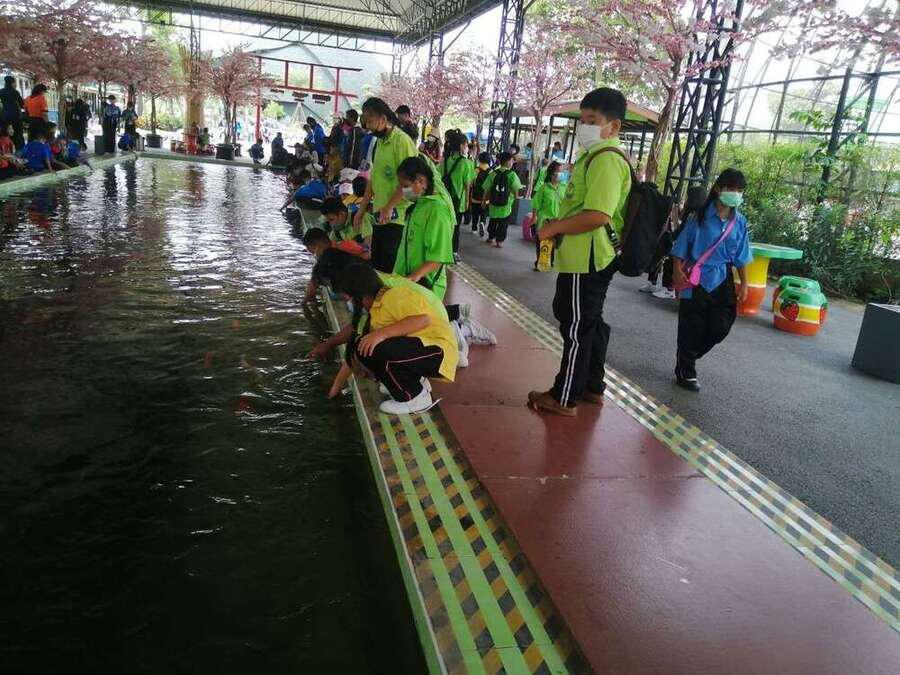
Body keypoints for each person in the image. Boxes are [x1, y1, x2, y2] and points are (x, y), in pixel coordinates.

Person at [528, 87, 632, 417]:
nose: (584, 127)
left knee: (576, 326)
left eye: (592, 120)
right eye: (582, 120)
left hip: (587, 256)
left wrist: (554, 228)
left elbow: (598, 215)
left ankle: (564, 396)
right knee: (589, 321)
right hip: (589, 255)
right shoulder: (597, 156)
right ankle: (592, 386)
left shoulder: (606, 159)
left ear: (613, 126)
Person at [329, 262, 458, 414]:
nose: (349, 302)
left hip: (438, 353)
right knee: (363, 347)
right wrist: (336, 385)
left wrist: (380, 334)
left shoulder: (394, 296)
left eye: (349, 298)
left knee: (377, 347)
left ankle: (416, 397)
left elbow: (423, 320)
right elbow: (355, 349)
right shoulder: (376, 310)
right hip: (422, 353)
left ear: (361, 295)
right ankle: (413, 382)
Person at [670, 169, 752, 392]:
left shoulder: (740, 222)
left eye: (740, 190)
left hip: (723, 279)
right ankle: (686, 370)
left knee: (721, 326)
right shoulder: (698, 218)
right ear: (718, 188)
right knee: (691, 326)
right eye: (731, 189)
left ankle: (688, 355)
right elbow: (681, 246)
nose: (736, 194)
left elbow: (742, 256)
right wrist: (677, 270)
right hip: (695, 278)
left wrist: (744, 284)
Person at [393, 155, 456, 300]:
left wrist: (413, 277)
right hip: (408, 282)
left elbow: (437, 258)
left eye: (405, 186)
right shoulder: (418, 205)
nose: (402, 191)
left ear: (421, 181)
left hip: (426, 286)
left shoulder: (438, 211)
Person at [440, 130, 476, 261]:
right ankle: (453, 252)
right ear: (461, 146)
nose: (467, 147)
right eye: (466, 144)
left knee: (444, 225)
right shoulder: (466, 163)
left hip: (443, 199)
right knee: (455, 227)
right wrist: (467, 202)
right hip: (458, 201)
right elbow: (468, 185)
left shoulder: (445, 161)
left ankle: (442, 249)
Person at [481, 151, 522, 248]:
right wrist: (516, 196)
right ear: (507, 162)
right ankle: (499, 241)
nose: (512, 162)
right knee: (503, 223)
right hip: (506, 205)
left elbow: (487, 189)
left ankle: (491, 237)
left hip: (493, 204)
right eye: (511, 161)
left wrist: (484, 201)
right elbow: (516, 189)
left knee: (493, 221)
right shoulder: (512, 174)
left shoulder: (493, 173)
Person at [530, 161, 565, 270]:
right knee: (544, 242)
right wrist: (534, 217)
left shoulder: (564, 187)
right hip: (545, 220)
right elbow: (536, 204)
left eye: (562, 172)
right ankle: (541, 263)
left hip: (559, 220)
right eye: (559, 171)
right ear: (552, 173)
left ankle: (550, 261)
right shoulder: (544, 188)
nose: (561, 174)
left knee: (555, 243)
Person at [469, 152, 492, 237]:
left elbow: (471, 183)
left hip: (475, 197)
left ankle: (474, 228)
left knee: (475, 214)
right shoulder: (491, 172)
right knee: (484, 213)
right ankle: (482, 222)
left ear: (479, 160)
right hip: (485, 198)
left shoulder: (476, 170)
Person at [0, 75, 25, 149]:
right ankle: (19, 150)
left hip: (4, 116)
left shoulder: (1, 91)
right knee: (18, 134)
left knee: (6, 133)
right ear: (12, 83)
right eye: (15, 82)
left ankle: (7, 149)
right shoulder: (15, 92)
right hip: (15, 116)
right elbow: (22, 104)